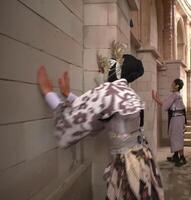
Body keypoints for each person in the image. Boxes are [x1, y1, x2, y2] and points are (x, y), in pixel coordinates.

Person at [37, 54, 164, 200]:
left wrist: (49, 94)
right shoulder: (129, 93)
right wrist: (69, 95)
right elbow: (100, 111)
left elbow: (74, 120)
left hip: (128, 165)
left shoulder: (108, 90)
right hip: (143, 159)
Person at [151, 79, 187, 167]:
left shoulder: (175, 95)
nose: (171, 85)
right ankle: (175, 155)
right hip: (178, 118)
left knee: (176, 137)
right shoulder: (176, 95)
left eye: (172, 84)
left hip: (177, 118)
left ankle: (182, 158)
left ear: (177, 86)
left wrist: (156, 99)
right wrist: (158, 100)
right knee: (175, 135)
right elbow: (166, 104)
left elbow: (165, 106)